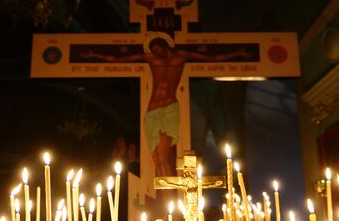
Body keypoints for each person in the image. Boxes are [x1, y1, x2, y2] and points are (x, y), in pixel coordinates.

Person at [81, 36, 250, 178]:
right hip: (153, 111)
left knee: (174, 156)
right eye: (152, 49)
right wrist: (94, 53)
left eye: (157, 48)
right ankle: (168, 202)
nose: (155, 52)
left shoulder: (181, 56)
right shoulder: (151, 58)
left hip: (171, 109)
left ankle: (172, 201)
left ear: (165, 45)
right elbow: (121, 59)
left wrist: (238, 53)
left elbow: (212, 58)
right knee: (158, 159)